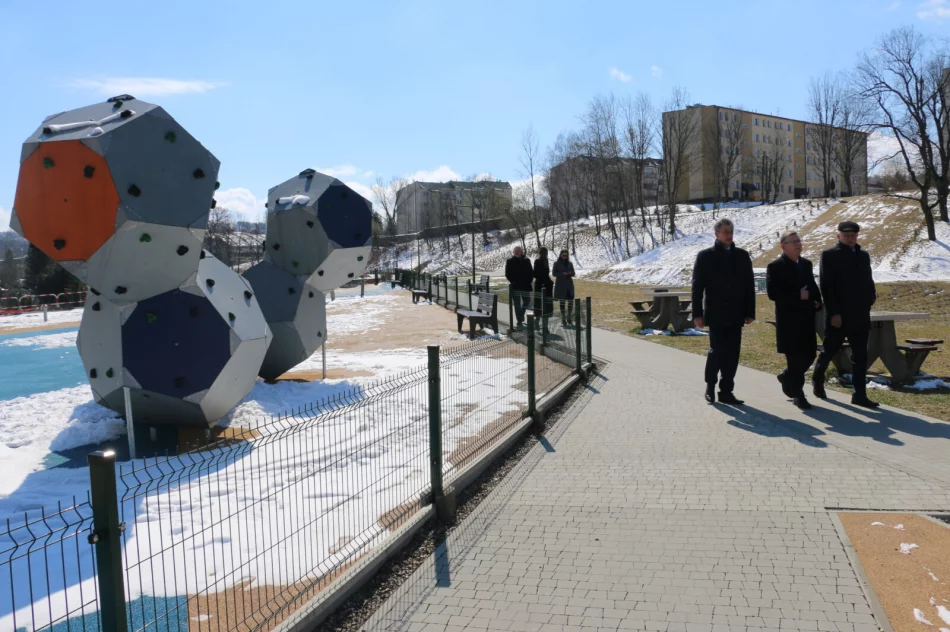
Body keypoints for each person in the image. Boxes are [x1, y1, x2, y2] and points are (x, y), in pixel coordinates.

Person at [812, 221, 879, 408]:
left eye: (853, 235)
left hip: (860, 314)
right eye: (846, 234)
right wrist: (834, 312)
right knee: (829, 350)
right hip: (838, 315)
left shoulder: (863, 255)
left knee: (861, 356)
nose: (850, 238)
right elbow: (826, 286)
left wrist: (871, 296)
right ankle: (818, 378)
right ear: (838, 235)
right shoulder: (829, 255)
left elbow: (868, 278)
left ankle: (859, 394)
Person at [691, 218, 755, 405]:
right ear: (717, 234)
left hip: (736, 314)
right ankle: (710, 385)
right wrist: (697, 314)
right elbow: (697, 288)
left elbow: (749, 286)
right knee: (717, 351)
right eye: (725, 232)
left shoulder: (742, 256)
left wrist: (750, 312)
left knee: (733, 354)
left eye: (731, 231)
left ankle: (726, 391)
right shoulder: (705, 256)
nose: (729, 235)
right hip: (716, 313)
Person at [766, 231, 822, 410]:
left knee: (810, 354)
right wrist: (798, 295)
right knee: (795, 358)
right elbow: (773, 293)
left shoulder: (806, 264)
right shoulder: (775, 266)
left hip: (806, 318)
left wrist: (817, 300)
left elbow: (812, 286)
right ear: (783, 246)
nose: (798, 244)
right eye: (793, 242)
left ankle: (786, 376)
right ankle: (798, 395)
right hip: (788, 320)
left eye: (799, 241)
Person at [505, 246, 534, 329]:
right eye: (516, 251)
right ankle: (519, 321)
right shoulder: (510, 261)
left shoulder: (527, 260)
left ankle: (521, 315)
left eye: (519, 251)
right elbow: (507, 274)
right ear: (514, 252)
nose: (517, 252)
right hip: (515, 286)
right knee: (517, 304)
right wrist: (513, 281)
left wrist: (530, 280)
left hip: (525, 285)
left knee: (527, 301)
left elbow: (531, 272)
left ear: (522, 252)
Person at [552, 249, 575, 325]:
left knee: (570, 301)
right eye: (563, 255)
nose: (565, 256)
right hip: (561, 285)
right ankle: (563, 318)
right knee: (562, 302)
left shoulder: (570, 263)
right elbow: (554, 273)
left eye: (566, 255)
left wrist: (570, 273)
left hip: (569, 285)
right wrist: (563, 273)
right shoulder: (556, 263)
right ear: (560, 255)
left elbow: (573, 273)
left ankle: (569, 317)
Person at [533, 247, 554, 327]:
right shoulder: (537, 261)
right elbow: (536, 274)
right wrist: (544, 281)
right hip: (539, 285)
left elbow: (546, 274)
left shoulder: (546, 261)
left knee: (547, 304)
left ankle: (545, 325)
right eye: (544, 253)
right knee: (539, 303)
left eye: (546, 253)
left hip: (546, 285)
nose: (545, 255)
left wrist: (549, 281)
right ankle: (537, 321)